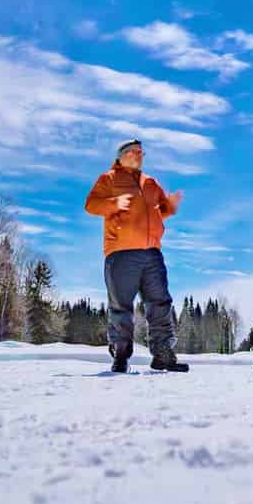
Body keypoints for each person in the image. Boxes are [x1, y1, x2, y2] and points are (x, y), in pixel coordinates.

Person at [85, 139, 188, 373]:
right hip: (121, 251)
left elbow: (161, 211)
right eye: (133, 152)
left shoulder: (150, 182)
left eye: (141, 153)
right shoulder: (109, 178)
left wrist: (170, 206)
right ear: (121, 155)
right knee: (121, 306)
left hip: (152, 252)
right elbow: (91, 205)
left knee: (160, 302)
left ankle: (162, 354)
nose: (138, 156)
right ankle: (120, 355)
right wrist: (114, 203)